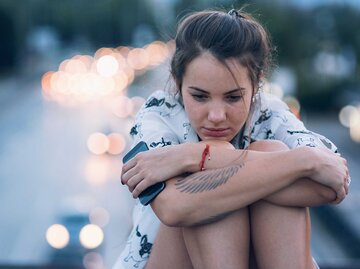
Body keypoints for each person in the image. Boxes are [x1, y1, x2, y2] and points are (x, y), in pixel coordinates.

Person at [113, 8, 350, 269]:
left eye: (233, 97)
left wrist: (192, 156)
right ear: (178, 81)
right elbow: (174, 208)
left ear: (257, 84)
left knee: (268, 152)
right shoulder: (157, 115)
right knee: (208, 194)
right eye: (200, 96)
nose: (216, 116)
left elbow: (331, 185)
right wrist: (302, 162)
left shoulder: (269, 113)